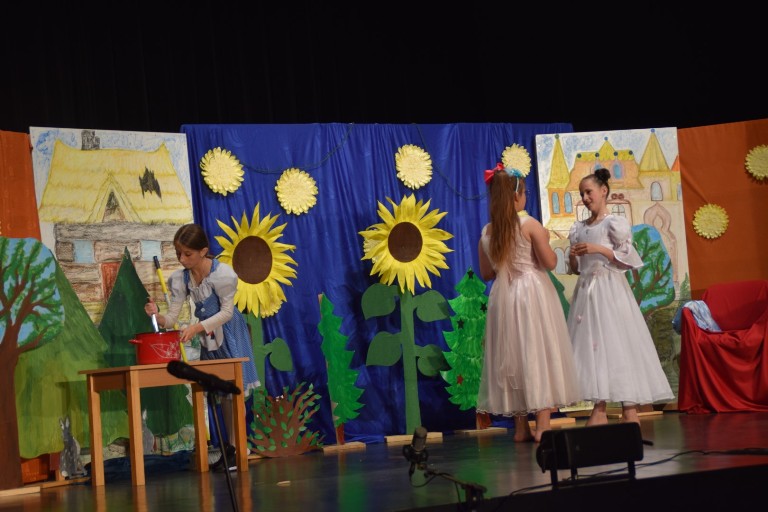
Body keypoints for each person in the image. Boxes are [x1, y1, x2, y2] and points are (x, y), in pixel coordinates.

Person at [477, 163, 582, 442]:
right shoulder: (530, 225)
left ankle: (521, 428)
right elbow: (549, 263)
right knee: (538, 353)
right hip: (531, 294)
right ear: (516, 196)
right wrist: (545, 241)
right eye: (524, 193)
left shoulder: (487, 232)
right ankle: (543, 426)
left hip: (503, 298)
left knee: (512, 358)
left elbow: (487, 273)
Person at [145, 223, 260, 469]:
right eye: (179, 253)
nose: (182, 259)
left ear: (203, 251)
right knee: (222, 391)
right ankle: (233, 448)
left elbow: (227, 313)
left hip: (228, 332)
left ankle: (238, 446)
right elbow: (172, 318)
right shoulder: (182, 278)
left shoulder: (222, 274)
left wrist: (196, 328)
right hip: (209, 336)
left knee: (234, 390)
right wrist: (157, 315)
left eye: (187, 254)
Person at [567, 168, 675, 425]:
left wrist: (599, 249)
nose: (585, 198)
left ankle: (629, 409)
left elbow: (627, 260)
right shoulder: (579, 228)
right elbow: (577, 269)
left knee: (619, 345)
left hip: (610, 290)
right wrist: (573, 256)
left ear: (603, 191)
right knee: (594, 348)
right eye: (581, 194)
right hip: (588, 293)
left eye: (589, 192)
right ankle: (599, 408)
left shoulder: (613, 224)